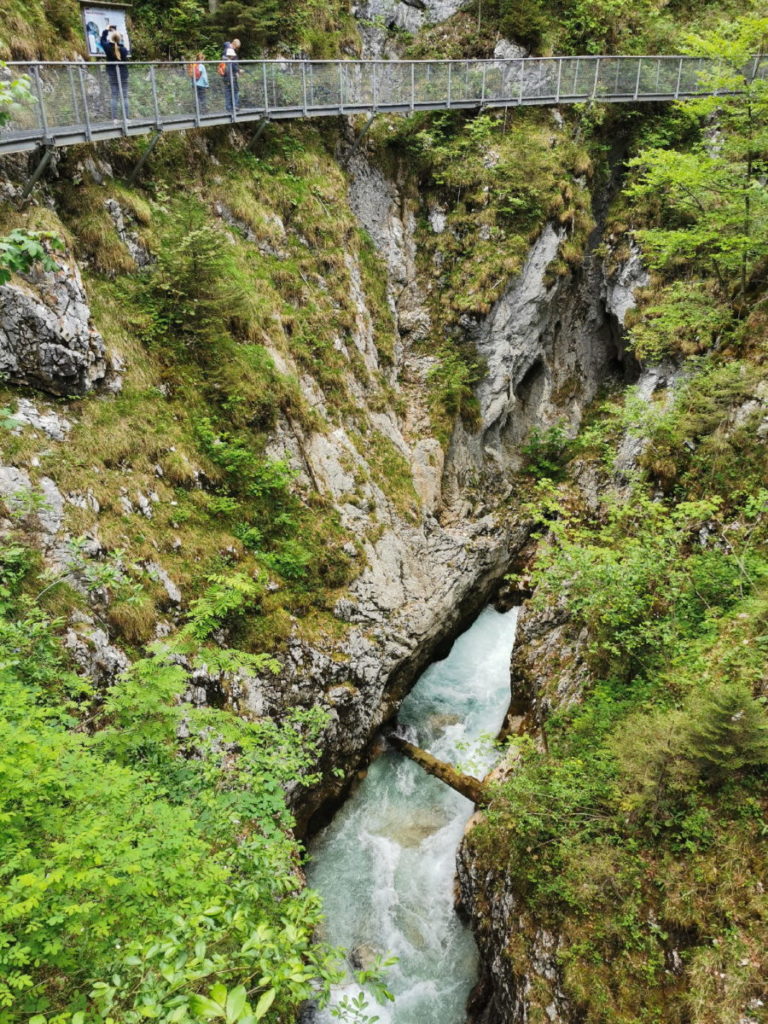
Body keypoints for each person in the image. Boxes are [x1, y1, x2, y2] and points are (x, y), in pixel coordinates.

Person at [103, 31, 130, 121]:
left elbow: (102, 40)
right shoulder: (124, 49)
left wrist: (106, 31)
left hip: (112, 74)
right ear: (119, 39)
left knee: (114, 96)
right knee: (125, 97)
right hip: (123, 75)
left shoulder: (107, 47)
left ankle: (115, 119)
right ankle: (126, 118)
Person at [220, 38, 241, 113]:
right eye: (236, 47)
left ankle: (229, 108)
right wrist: (238, 71)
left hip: (225, 75)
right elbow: (234, 64)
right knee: (235, 91)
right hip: (231, 75)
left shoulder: (225, 50)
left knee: (228, 91)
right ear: (234, 45)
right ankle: (235, 106)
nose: (236, 49)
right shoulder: (230, 51)